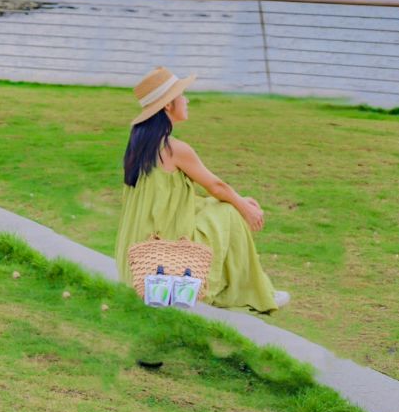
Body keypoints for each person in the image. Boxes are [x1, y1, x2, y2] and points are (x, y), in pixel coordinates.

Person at [114, 66, 289, 313]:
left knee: (218, 205)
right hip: (161, 254)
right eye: (181, 95)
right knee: (229, 213)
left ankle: (251, 288)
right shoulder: (174, 149)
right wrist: (243, 207)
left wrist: (239, 199)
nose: (186, 100)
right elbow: (217, 186)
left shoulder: (139, 147)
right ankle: (255, 293)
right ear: (167, 106)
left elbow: (167, 198)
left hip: (133, 254)